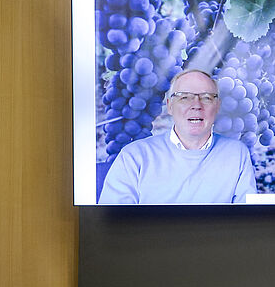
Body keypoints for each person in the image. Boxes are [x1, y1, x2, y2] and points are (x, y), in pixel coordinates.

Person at [99, 69, 257, 204]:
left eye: (206, 98)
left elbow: (249, 223)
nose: (196, 105)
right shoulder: (134, 156)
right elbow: (112, 224)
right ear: (169, 106)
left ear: (217, 106)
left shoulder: (237, 154)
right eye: (184, 97)